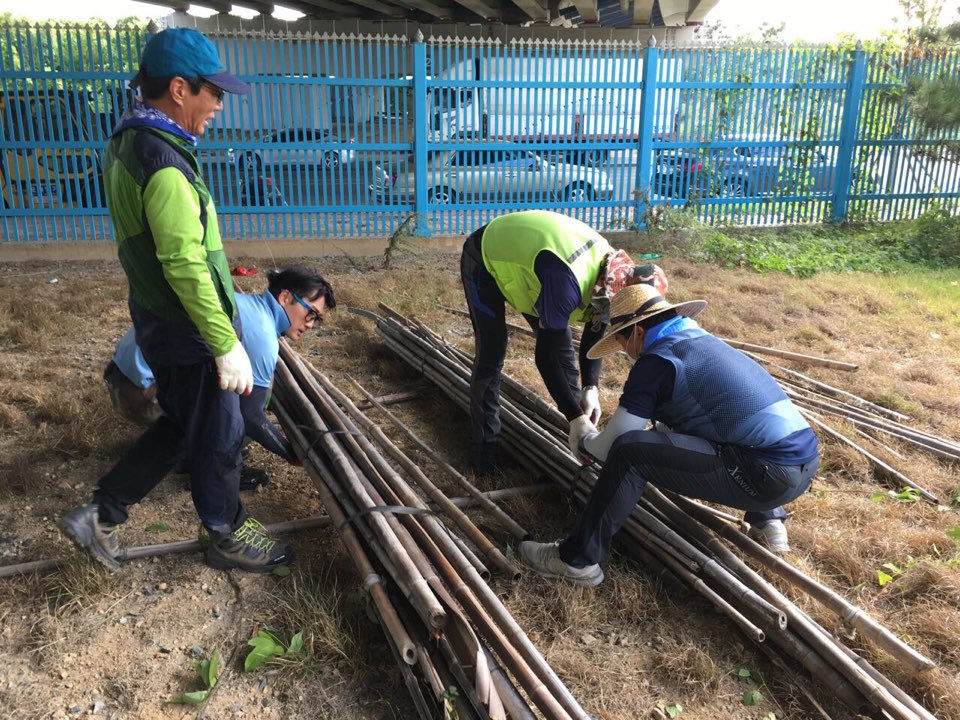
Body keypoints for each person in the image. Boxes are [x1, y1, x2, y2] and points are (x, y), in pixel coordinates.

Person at [59, 28, 296, 573]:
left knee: (185, 423)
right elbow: (185, 262)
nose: (218, 106)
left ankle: (100, 513)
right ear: (181, 89)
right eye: (213, 93)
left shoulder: (128, 140)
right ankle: (225, 533)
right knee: (222, 433)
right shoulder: (163, 160)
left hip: (157, 316)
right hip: (187, 323)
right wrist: (224, 342)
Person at [519, 283, 820, 586]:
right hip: (804, 463)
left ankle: (576, 561)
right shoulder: (702, 343)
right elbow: (681, 426)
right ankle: (768, 522)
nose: (626, 353)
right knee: (731, 430)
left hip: (764, 476)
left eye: (622, 342)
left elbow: (610, 447)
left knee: (630, 453)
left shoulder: (657, 362)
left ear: (637, 332)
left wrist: (582, 436)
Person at [460, 210, 667, 477]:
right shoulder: (568, 283)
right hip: (486, 256)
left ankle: (577, 433)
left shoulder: (614, 275)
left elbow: (595, 326)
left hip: (535, 269)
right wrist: (574, 417)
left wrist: (590, 388)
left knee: (561, 345)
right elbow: (543, 358)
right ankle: (484, 451)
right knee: (492, 352)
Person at [103, 267, 336, 488]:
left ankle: (190, 450)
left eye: (317, 319)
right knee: (238, 407)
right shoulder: (263, 336)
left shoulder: (238, 302)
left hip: (121, 375)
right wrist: (289, 452)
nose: (311, 324)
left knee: (229, 385)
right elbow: (251, 416)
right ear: (285, 297)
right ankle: (212, 471)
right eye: (310, 313)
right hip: (138, 395)